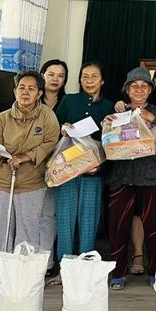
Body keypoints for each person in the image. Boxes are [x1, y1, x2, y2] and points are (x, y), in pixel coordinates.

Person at [106, 67, 156, 290]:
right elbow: (107, 142)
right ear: (127, 90)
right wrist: (107, 124)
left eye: (144, 86)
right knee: (118, 227)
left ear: (150, 90)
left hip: (153, 177)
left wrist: (153, 118)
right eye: (134, 86)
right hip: (122, 176)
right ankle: (119, 272)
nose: (139, 89)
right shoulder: (118, 112)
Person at [49, 62, 114, 286]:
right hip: (66, 168)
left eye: (94, 76)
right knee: (65, 217)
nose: (89, 80)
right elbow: (54, 128)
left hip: (93, 169)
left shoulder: (109, 106)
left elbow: (112, 141)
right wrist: (63, 128)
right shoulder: (69, 100)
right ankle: (64, 269)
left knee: (89, 218)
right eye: (85, 76)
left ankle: (86, 268)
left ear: (102, 81)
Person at [0, 70, 59, 253]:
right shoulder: (2, 118)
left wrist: (27, 156)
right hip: (3, 182)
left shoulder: (47, 115)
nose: (25, 92)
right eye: (21, 87)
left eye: (31, 89)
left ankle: (25, 270)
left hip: (32, 183)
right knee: (2, 230)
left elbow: (51, 142)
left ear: (39, 93)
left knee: (28, 232)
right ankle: (4, 268)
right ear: (15, 91)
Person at [39, 59, 68, 276]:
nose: (55, 79)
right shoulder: (30, 100)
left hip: (58, 165)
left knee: (49, 214)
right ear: (42, 75)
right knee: (29, 215)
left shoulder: (68, 102)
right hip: (30, 164)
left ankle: (47, 262)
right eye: (51, 74)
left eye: (60, 75)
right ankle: (28, 261)